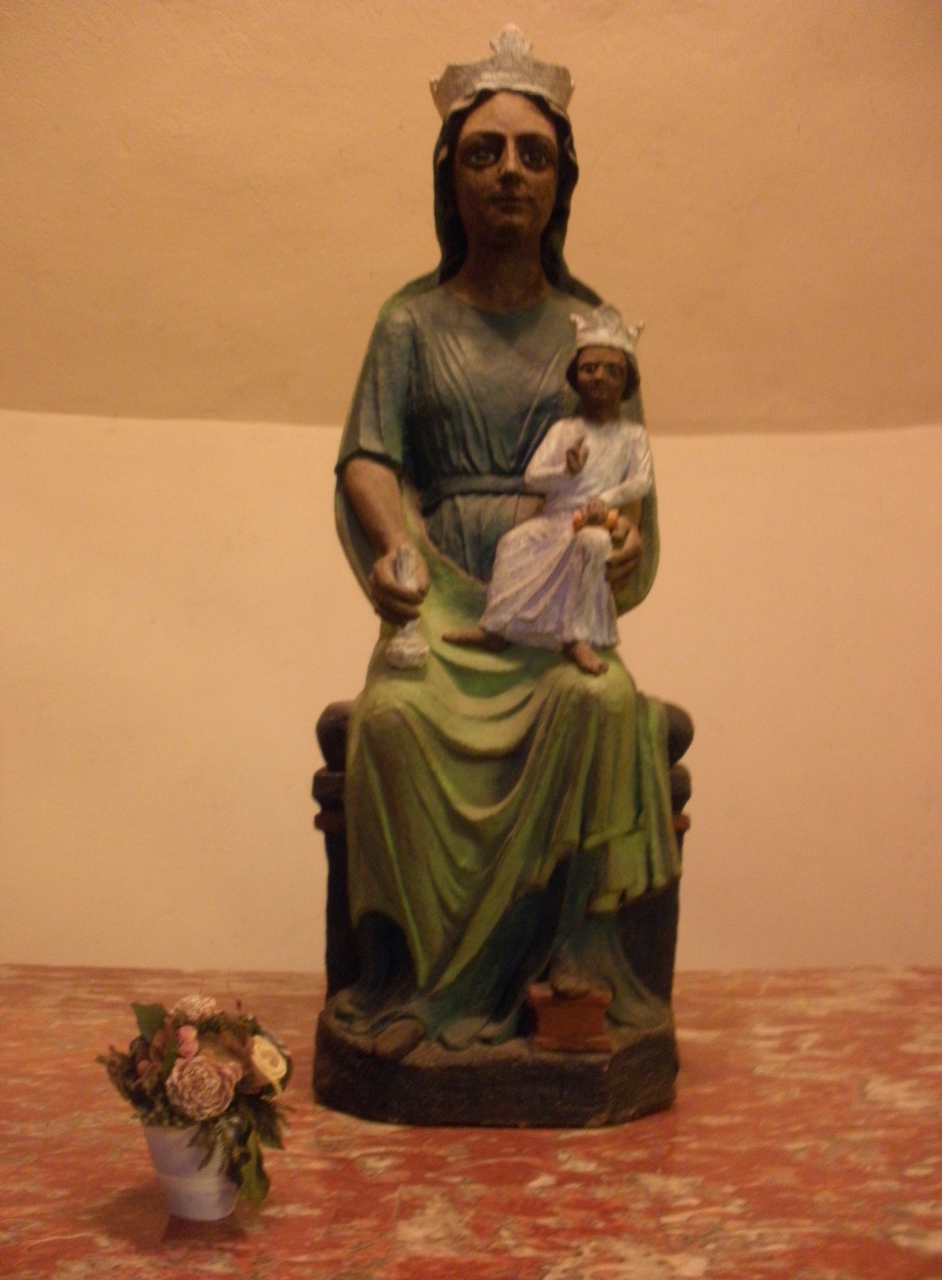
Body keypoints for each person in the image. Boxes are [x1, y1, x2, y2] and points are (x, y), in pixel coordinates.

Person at [333, 29, 680, 1060]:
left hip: (556, 602)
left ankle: (571, 968)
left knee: (604, 702)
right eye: (484, 152)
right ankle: (414, 982)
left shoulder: (594, 331)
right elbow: (369, 456)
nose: (511, 172)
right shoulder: (409, 321)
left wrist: (623, 545)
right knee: (390, 722)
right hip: (445, 606)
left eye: (535, 153)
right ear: (451, 177)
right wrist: (392, 547)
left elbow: (627, 476)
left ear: (563, 179)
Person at [444, 305, 653, 676]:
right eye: (590, 368)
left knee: (591, 544)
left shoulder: (632, 436)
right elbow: (533, 478)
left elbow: (641, 481)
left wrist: (604, 501)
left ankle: (578, 638)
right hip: (558, 519)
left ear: (626, 383)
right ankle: (498, 628)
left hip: (598, 522)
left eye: (612, 371)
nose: (599, 377)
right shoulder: (564, 431)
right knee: (515, 543)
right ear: (576, 377)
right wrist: (565, 470)